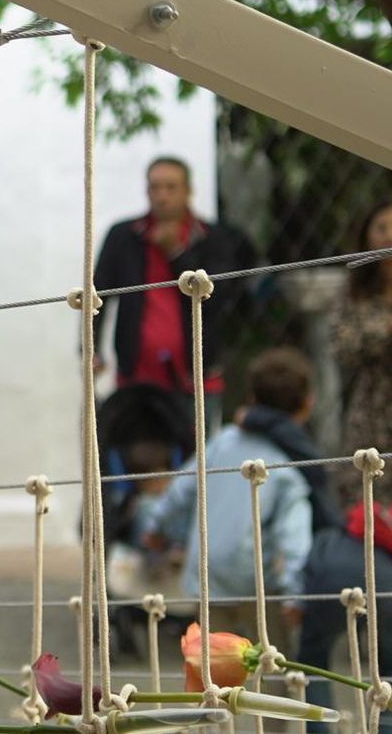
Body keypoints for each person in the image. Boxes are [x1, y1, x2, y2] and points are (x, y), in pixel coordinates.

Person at [140, 348, 320, 639]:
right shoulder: (292, 464)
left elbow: (181, 487)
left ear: (251, 398)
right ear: (306, 406)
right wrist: (294, 594)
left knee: (210, 664)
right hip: (255, 582)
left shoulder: (223, 442)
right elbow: (294, 536)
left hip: (205, 571)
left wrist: (156, 528)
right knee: (269, 663)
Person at [94, 157, 256, 425]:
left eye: (171, 187)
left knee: (195, 463)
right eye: (155, 188)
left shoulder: (212, 238)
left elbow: (216, 299)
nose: (162, 196)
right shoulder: (124, 236)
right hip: (136, 377)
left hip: (195, 379)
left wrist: (176, 254)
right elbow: (96, 295)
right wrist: (90, 349)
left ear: (187, 191)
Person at [298, 496, 392, 734]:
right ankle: (384, 726)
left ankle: (319, 727)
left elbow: (306, 568)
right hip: (384, 591)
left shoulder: (328, 537)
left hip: (330, 591)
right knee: (387, 669)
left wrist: (297, 603)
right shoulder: (382, 533)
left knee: (313, 661)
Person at [331, 199, 392, 504]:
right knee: (367, 493)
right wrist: (385, 331)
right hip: (372, 408)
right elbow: (344, 348)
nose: (389, 236)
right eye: (382, 228)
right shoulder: (355, 289)